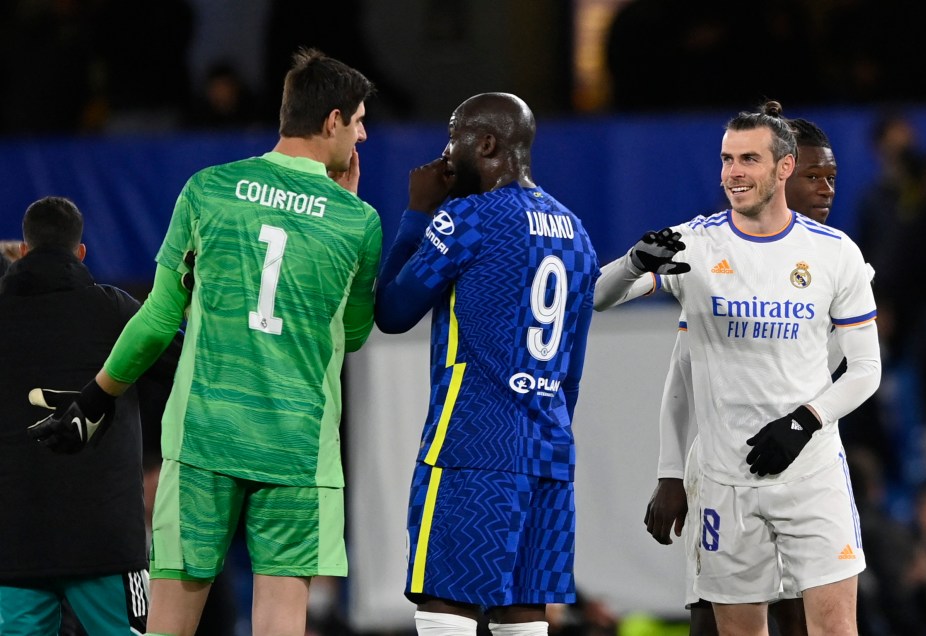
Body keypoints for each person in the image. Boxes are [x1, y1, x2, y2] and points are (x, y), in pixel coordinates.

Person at [28, 49, 382, 635]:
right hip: (297, 448)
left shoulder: (207, 190)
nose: (365, 133)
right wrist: (345, 203)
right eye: (359, 120)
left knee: (168, 627)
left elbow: (159, 318)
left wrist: (94, 398)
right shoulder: (357, 221)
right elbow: (353, 335)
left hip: (204, 440)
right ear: (331, 122)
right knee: (280, 622)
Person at [596, 101, 880, 634]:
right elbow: (597, 297)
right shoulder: (696, 246)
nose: (733, 172)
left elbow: (866, 368)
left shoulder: (834, 253)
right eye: (727, 159)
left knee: (836, 627)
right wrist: (634, 262)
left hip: (811, 471)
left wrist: (804, 422)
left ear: (782, 167)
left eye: (748, 159)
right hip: (725, 481)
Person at [374, 92, 599, 636]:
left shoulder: (466, 219)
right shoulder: (578, 236)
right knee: (523, 615)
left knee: (446, 604)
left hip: (472, 444)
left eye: (453, 137)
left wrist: (415, 214)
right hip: (548, 450)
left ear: (487, 143)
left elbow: (392, 311)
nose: (446, 153)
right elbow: (572, 371)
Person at [0, 196, 178, 634]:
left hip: (15, 542)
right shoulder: (115, 310)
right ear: (81, 252)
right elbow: (186, 367)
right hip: (106, 541)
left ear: (24, 250)